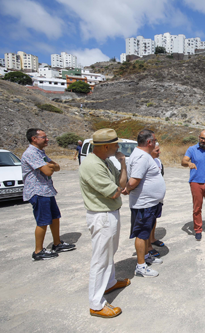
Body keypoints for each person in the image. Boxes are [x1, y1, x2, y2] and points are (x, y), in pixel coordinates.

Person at [79, 128, 130, 318]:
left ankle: (109, 283)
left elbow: (121, 182)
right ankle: (96, 304)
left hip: (110, 213)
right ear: (106, 146)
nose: (118, 147)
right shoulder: (92, 165)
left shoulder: (106, 161)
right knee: (100, 259)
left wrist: (123, 163)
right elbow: (116, 191)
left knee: (110, 252)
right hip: (102, 216)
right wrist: (120, 184)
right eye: (116, 144)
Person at [21, 128, 76, 261]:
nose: (47, 139)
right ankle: (38, 251)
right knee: (43, 221)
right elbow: (48, 172)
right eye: (43, 137)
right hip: (38, 191)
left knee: (55, 217)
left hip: (47, 190)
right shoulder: (31, 153)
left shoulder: (40, 153)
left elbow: (57, 167)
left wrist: (48, 164)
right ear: (34, 139)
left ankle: (57, 243)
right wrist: (48, 165)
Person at [122, 129, 166, 278]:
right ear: (149, 142)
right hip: (144, 204)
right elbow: (134, 180)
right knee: (141, 234)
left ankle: (146, 257)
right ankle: (141, 267)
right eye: (154, 141)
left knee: (145, 232)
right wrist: (127, 189)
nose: (155, 143)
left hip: (149, 203)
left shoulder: (143, 155)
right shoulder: (142, 157)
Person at [148, 142, 165, 256]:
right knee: (148, 221)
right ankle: (148, 246)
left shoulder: (158, 162)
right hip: (148, 198)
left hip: (157, 198)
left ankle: (152, 238)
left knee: (154, 219)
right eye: (156, 151)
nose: (159, 152)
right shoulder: (146, 161)